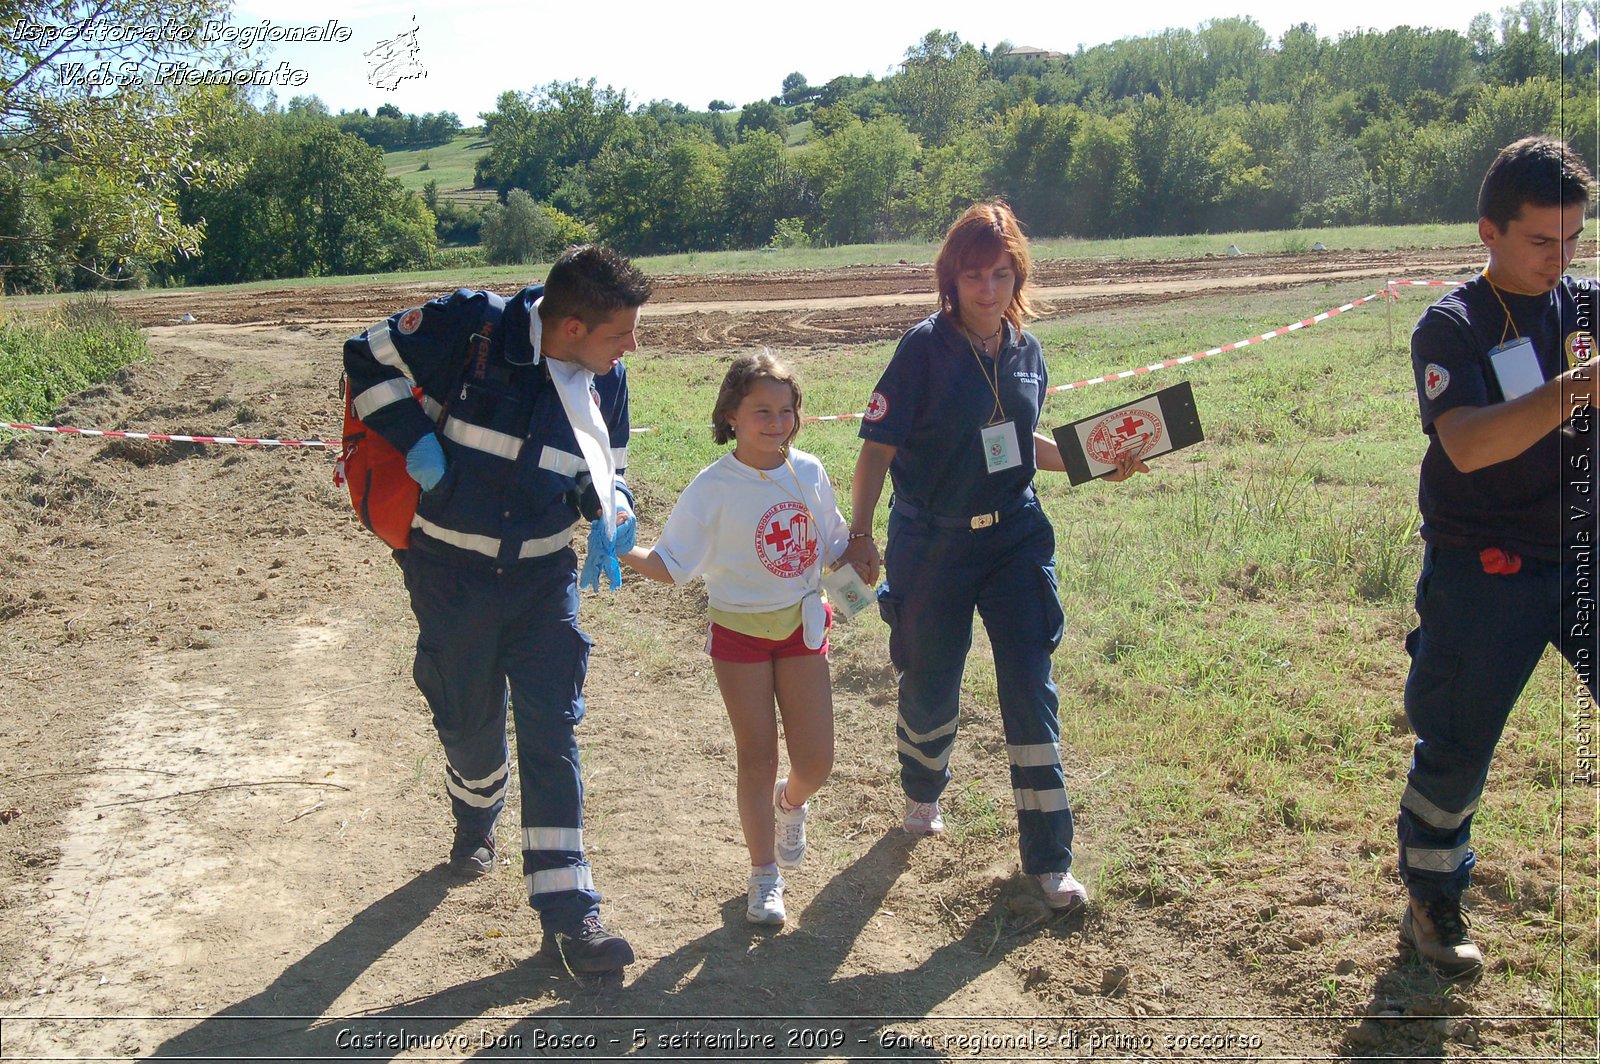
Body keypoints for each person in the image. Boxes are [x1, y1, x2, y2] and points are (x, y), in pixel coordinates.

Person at [342, 244, 651, 978]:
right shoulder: (468, 326)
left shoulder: (606, 379)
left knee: (554, 732)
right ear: (570, 326)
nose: (631, 347)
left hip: (545, 581)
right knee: (469, 723)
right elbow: (364, 356)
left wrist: (610, 505)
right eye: (620, 334)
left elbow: (612, 462)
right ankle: (475, 804)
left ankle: (569, 917)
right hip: (450, 577)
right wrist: (417, 444)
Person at [839, 201, 1145, 913]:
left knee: (1029, 692)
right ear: (953, 280)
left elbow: (1024, 442)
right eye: (974, 275)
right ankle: (922, 792)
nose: (988, 289)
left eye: (1000, 274)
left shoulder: (1026, 352)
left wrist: (1096, 461)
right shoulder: (921, 349)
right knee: (929, 682)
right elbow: (876, 450)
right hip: (932, 541)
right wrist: (861, 534)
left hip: (1015, 537)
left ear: (1017, 276)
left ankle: (1049, 860)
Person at [1396, 135, 1596, 978]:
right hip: (1486, 570)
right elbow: (1470, 445)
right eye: (1542, 242)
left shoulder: (1587, 310)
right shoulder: (1453, 326)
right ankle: (1433, 898)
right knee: (1458, 741)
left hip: (1582, 554)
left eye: (1575, 241)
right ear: (1489, 231)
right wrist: (1578, 389)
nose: (1562, 260)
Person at [621, 352, 855, 925]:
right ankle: (763, 876)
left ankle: (790, 802)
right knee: (756, 757)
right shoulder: (713, 486)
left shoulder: (811, 472)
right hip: (739, 637)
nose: (776, 423)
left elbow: (834, 547)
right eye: (761, 411)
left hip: (803, 629)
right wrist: (618, 549)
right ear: (730, 415)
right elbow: (673, 563)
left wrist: (869, 555)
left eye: (786, 410)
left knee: (816, 761)